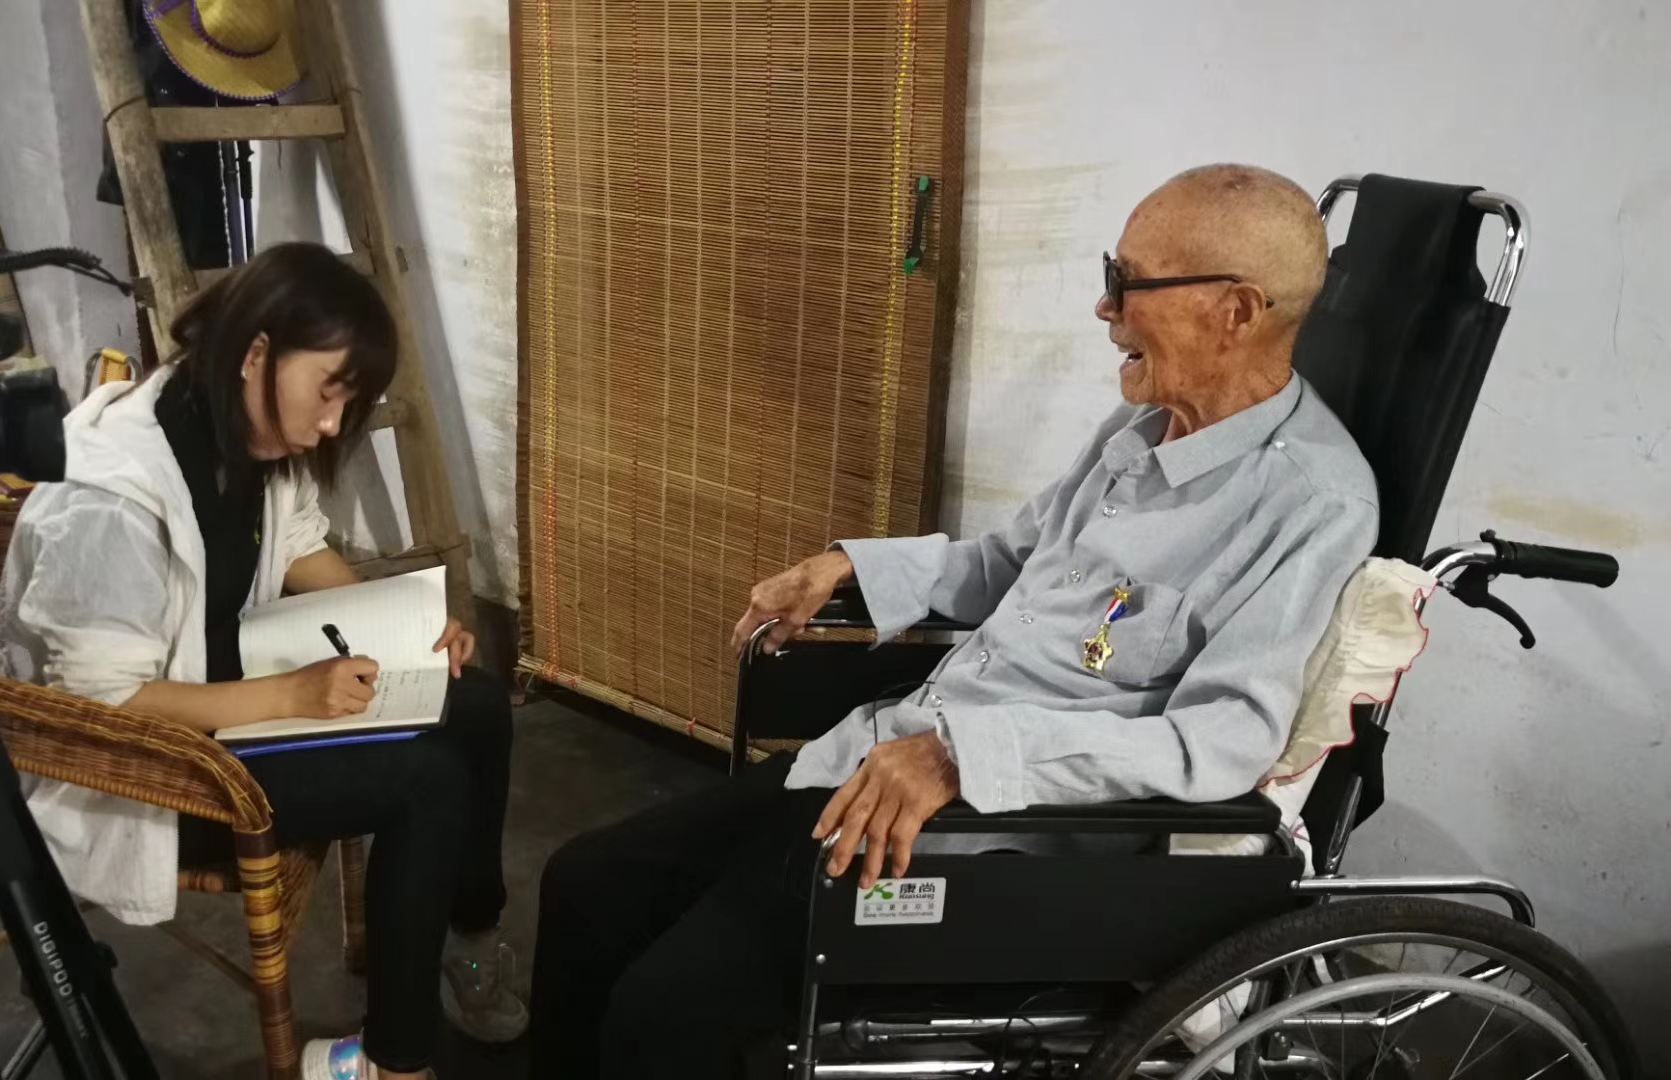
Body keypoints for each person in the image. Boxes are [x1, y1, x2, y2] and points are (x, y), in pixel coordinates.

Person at [527, 164, 1380, 1079]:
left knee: (661, 1014)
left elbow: (1221, 739)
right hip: (888, 755)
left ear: (1235, 311)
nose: (1105, 307)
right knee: (586, 882)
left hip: (995, 838)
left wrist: (965, 757)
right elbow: (1008, 564)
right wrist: (851, 565)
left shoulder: (1312, 504)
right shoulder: (1137, 429)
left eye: (1126, 281)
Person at [0, 243, 526, 1080]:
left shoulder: (238, 429)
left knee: (479, 701)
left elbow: (299, 543)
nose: (331, 426)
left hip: (232, 694)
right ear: (256, 352)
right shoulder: (110, 495)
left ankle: (470, 936)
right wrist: (292, 695)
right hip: (145, 763)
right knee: (427, 781)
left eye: (348, 405)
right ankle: (392, 1063)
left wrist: (406, 629)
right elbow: (103, 705)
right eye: (328, 393)